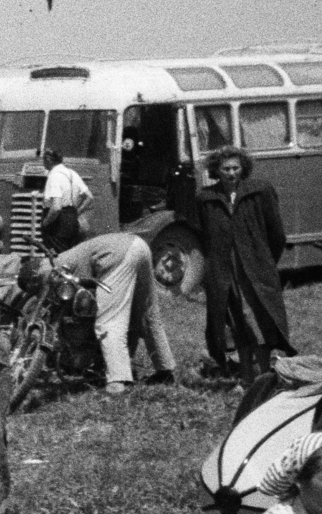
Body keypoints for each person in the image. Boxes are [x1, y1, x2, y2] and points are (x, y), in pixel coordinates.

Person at [197, 146, 293, 384]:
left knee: (260, 322)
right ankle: (247, 378)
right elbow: (202, 237)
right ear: (216, 171)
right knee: (237, 322)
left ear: (243, 169)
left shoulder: (259, 192)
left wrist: (264, 262)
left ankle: (265, 375)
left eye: (235, 168)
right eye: (225, 168)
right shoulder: (206, 198)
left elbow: (277, 234)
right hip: (225, 273)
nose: (231, 173)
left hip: (255, 272)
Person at [54, 232, 176, 395]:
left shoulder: (54, 267)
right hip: (139, 245)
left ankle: (117, 381)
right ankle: (165, 370)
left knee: (109, 320)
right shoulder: (69, 257)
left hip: (116, 255)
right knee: (148, 313)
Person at [39, 149, 91, 255]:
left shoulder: (54, 176)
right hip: (72, 220)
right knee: (70, 255)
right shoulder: (72, 174)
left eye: (43, 160)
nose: (43, 163)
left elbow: (56, 207)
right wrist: (77, 212)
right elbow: (89, 197)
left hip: (57, 224)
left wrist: (45, 223)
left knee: (57, 258)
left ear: (49, 160)